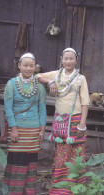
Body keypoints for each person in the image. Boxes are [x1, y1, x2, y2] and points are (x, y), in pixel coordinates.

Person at [36, 48, 89, 195]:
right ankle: (60, 189)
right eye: (65, 58)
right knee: (61, 155)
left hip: (76, 120)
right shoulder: (57, 75)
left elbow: (85, 103)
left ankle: (76, 188)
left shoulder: (80, 78)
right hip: (61, 121)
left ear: (76, 60)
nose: (68, 61)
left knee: (76, 155)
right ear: (61, 59)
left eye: (71, 58)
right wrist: (51, 81)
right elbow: (37, 75)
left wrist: (82, 124)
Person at [4, 53, 46, 195]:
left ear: (35, 68)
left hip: (33, 131)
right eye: (25, 65)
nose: (28, 68)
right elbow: (8, 108)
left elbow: (42, 109)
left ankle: (29, 191)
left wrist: (42, 129)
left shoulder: (39, 87)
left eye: (31, 66)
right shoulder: (11, 84)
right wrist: (13, 129)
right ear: (19, 66)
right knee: (16, 160)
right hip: (17, 130)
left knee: (31, 161)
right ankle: (14, 191)